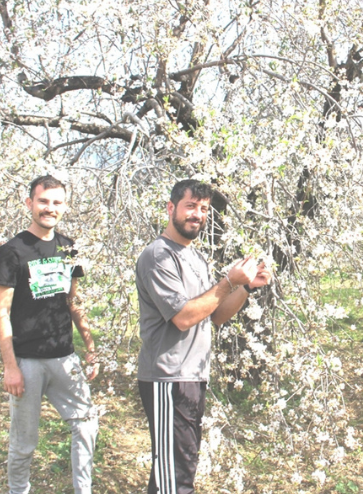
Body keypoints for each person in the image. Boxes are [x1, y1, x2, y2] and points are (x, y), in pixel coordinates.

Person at [136, 179, 272, 494]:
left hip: (193, 375)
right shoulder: (158, 256)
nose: (197, 214)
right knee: (176, 476)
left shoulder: (194, 257)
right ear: (171, 208)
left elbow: (214, 315)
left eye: (203, 209)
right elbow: (184, 318)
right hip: (167, 377)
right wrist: (227, 282)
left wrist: (245, 286)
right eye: (190, 206)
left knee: (179, 467)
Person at [0, 175, 99, 494]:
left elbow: (74, 302)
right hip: (27, 362)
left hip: (65, 358)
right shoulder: (13, 251)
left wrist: (90, 347)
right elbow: (1, 311)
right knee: (24, 442)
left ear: (64, 207)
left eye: (56, 203)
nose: (49, 208)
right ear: (30, 204)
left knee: (86, 424)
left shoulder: (69, 248)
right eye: (43, 201)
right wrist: (10, 366)